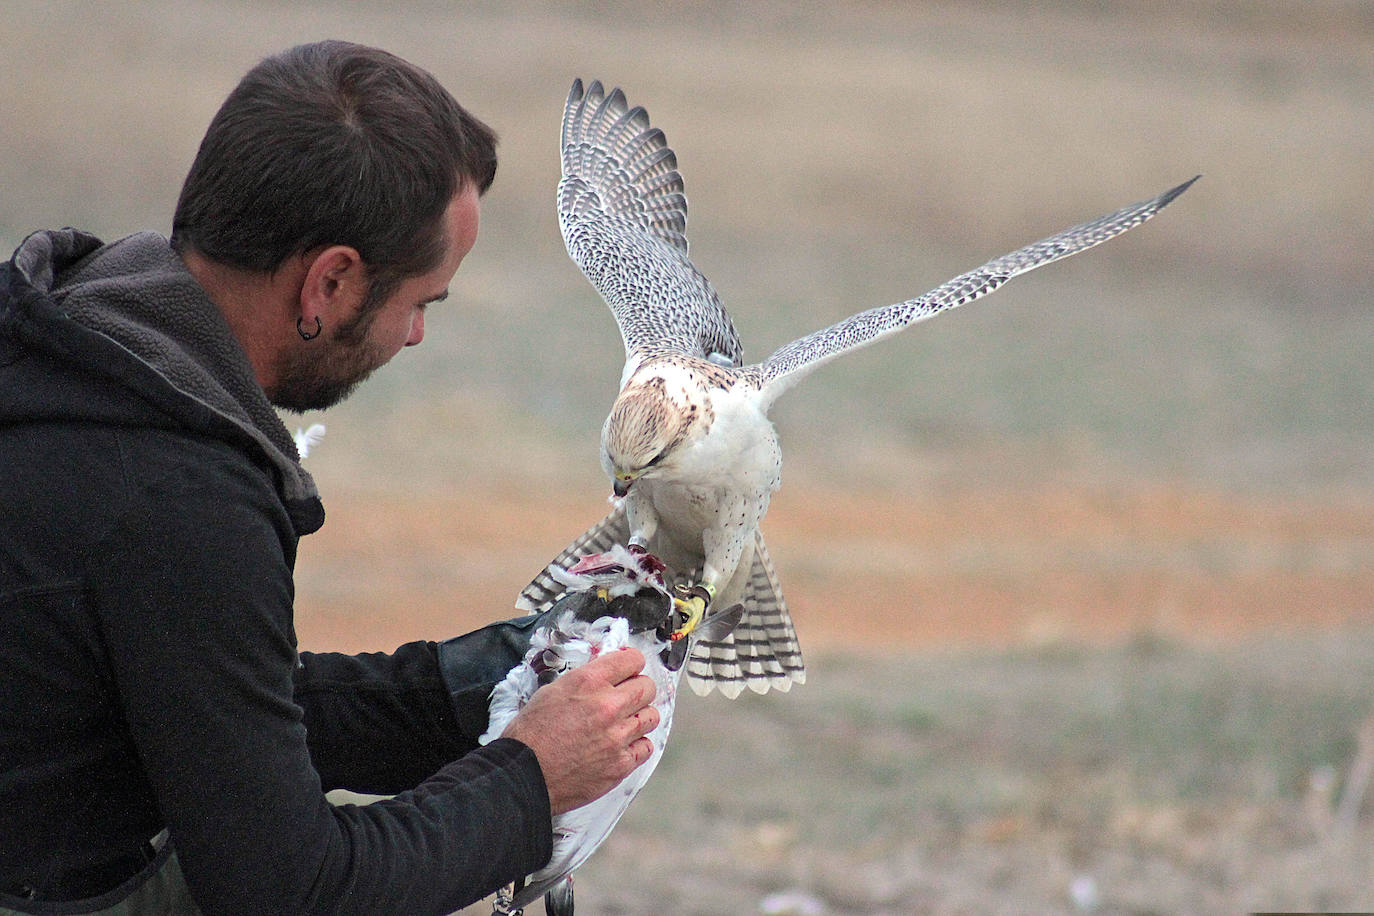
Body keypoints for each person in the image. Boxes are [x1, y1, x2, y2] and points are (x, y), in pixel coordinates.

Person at [0, 40, 661, 916]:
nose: (417, 336)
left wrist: (476, 685)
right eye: (419, 302)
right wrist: (527, 784)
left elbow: (206, 699)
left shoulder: (73, 345)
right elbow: (289, 888)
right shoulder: (177, 491)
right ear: (330, 283)